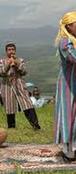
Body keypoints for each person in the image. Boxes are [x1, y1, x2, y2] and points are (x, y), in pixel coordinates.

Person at [0, 43, 40, 129]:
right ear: (6, 51)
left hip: (19, 82)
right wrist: (8, 63)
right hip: (7, 84)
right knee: (9, 106)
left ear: (15, 50)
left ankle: (36, 126)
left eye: (12, 49)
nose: (11, 51)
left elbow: (24, 72)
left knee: (27, 103)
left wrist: (16, 63)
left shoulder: (20, 60)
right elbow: (0, 73)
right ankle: (11, 127)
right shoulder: (1, 61)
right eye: (9, 50)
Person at [54, 11, 76, 162]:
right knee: (68, 114)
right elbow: (73, 57)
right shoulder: (65, 41)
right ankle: (66, 151)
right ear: (69, 26)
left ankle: (74, 148)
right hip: (68, 84)